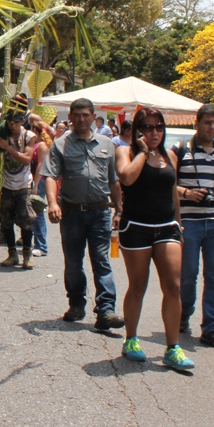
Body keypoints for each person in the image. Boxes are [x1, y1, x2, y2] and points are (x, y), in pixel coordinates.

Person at [114, 107, 194, 371]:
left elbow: (173, 193)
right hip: (136, 226)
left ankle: (173, 347)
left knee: (173, 285)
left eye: (159, 127)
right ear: (138, 130)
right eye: (147, 127)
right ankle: (131, 340)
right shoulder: (125, 152)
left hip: (167, 227)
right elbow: (126, 177)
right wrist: (144, 151)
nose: (154, 133)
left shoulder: (170, 155)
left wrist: (179, 225)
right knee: (138, 285)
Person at [41, 98, 125, 331]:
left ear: (92, 116)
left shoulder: (107, 144)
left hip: (100, 213)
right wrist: (52, 203)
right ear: (71, 116)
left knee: (102, 261)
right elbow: (49, 176)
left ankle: (106, 310)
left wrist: (119, 209)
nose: (81, 119)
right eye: (77, 115)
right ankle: (76, 304)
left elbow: (114, 181)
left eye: (85, 115)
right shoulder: (61, 144)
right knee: (74, 263)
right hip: (71, 213)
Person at [171, 104, 214, 350]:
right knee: (187, 275)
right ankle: (184, 313)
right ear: (197, 122)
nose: (211, 127)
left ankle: (211, 328)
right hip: (189, 222)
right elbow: (168, 182)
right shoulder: (180, 150)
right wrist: (186, 192)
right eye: (207, 122)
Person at [0, 111, 37, 269]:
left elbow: (26, 160)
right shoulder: (3, 133)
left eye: (16, 122)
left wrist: (7, 148)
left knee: (25, 220)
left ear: (22, 121)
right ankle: (12, 254)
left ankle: (27, 253)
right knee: (6, 220)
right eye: (10, 122)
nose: (13, 126)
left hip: (23, 184)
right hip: (6, 183)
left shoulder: (29, 136)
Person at [30, 121, 51, 257]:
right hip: (34, 180)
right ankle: (37, 242)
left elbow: (41, 165)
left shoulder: (42, 145)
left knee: (38, 212)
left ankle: (42, 245)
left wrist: (36, 184)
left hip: (40, 180)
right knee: (33, 213)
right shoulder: (35, 144)